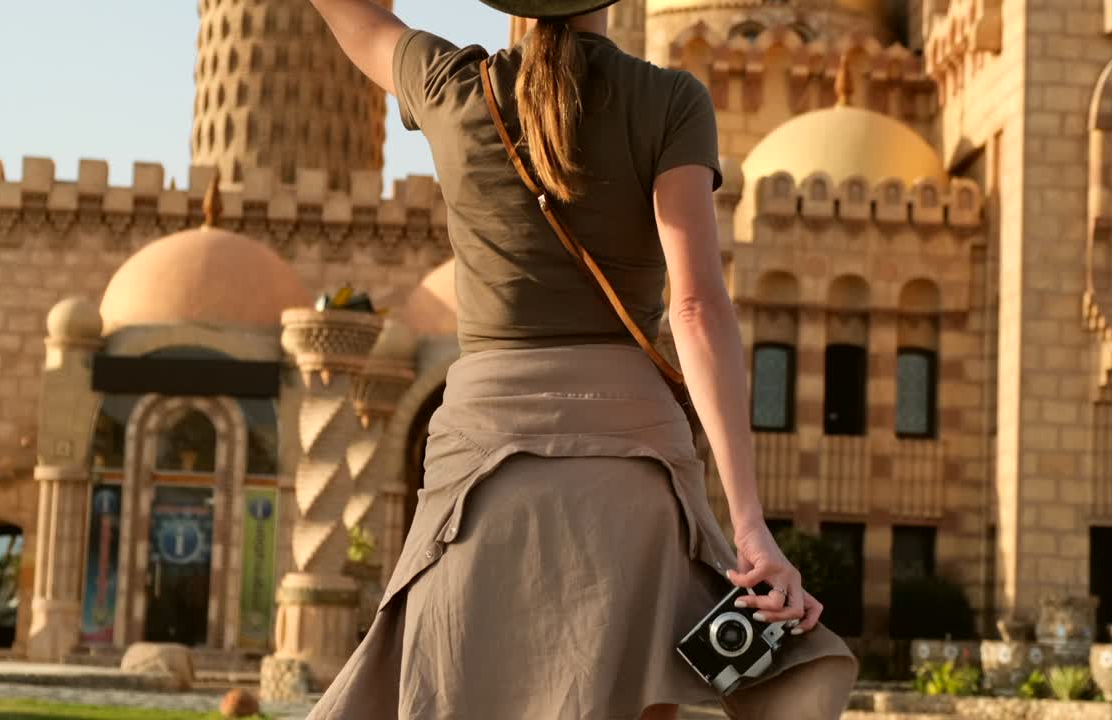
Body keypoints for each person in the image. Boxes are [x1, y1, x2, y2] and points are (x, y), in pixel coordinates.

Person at [305, 1, 858, 718]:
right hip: (636, 478)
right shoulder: (671, 100)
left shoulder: (450, 86)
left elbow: (359, 19)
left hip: (479, 487)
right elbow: (695, 309)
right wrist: (750, 527)